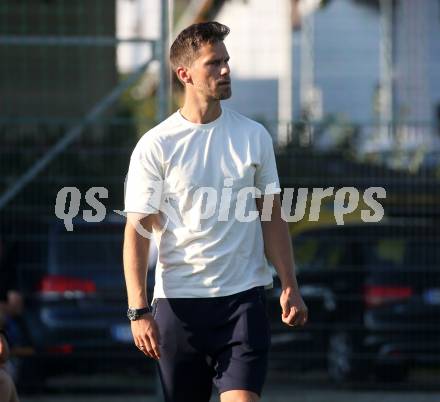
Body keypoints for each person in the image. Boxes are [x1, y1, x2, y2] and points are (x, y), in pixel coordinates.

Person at [123, 21, 308, 402]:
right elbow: (136, 233)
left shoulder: (253, 136)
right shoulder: (156, 145)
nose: (225, 70)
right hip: (178, 308)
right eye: (213, 63)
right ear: (185, 73)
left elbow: (272, 216)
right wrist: (138, 310)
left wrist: (289, 283)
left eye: (226, 60)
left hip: (242, 303)